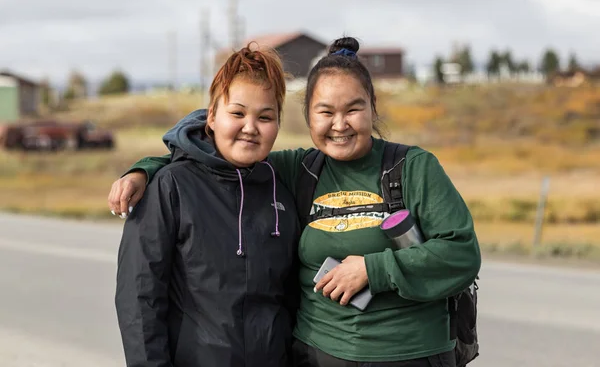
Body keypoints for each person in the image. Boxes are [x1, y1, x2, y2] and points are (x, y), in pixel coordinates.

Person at [110, 37, 481, 367]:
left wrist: (373, 269)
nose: (340, 124)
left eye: (353, 109)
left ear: (372, 109)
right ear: (308, 117)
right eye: (325, 111)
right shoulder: (295, 170)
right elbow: (214, 157)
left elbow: (462, 254)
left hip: (410, 354)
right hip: (318, 354)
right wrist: (146, 169)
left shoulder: (410, 168)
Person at [114, 44, 301, 367]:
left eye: (265, 116)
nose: (250, 127)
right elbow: (139, 298)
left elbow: (291, 300)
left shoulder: (281, 190)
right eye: (238, 113)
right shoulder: (171, 186)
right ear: (211, 117)